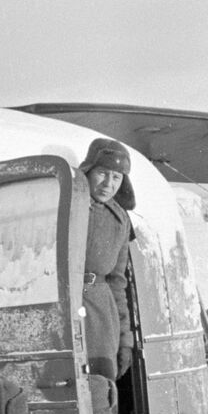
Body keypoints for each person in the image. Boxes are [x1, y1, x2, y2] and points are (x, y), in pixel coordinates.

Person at [80, 138, 136, 383]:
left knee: (100, 389)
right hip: (64, 305)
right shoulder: (66, 206)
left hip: (101, 315)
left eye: (116, 177)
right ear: (88, 171)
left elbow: (117, 283)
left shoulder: (120, 220)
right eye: (102, 173)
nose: (108, 184)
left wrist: (125, 341)